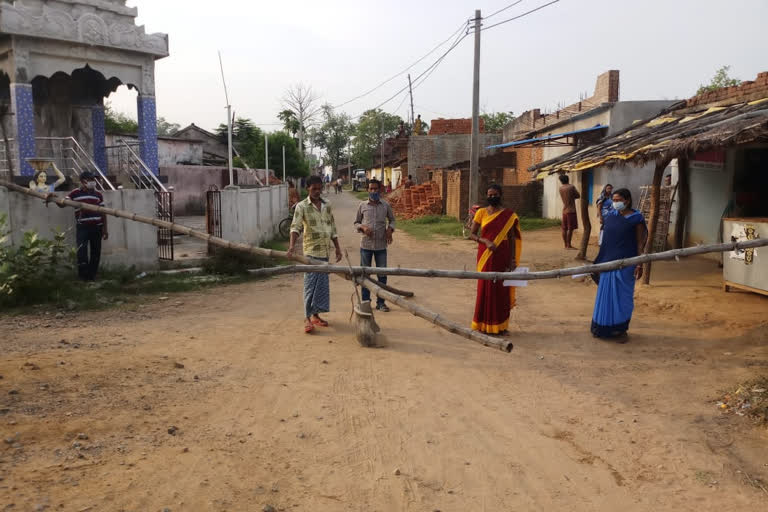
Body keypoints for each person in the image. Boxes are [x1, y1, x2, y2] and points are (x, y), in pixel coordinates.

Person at [287, 175, 343, 334]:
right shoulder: (302, 206)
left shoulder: (327, 205)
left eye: (319, 188)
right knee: (310, 286)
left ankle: (316, 316)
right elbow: (295, 228)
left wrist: (337, 248)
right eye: (314, 189)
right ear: (308, 189)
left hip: (325, 252)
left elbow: (332, 227)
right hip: (311, 253)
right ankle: (307, 318)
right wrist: (291, 247)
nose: (317, 192)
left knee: (321, 287)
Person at [591, 188, 647, 342]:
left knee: (622, 298)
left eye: (618, 200)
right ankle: (602, 328)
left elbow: (640, 244)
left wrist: (639, 264)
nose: (615, 203)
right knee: (606, 297)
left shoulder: (637, 219)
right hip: (608, 264)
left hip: (626, 265)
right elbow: (606, 242)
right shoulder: (611, 216)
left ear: (627, 201)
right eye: (614, 200)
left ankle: (620, 330)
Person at [469, 184, 522, 335]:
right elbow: (472, 234)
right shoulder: (481, 212)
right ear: (486, 196)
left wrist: (512, 259)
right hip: (485, 255)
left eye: (495, 194)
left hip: (502, 255)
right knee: (485, 288)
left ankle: (501, 326)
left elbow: (512, 238)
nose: (492, 197)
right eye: (490, 195)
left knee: (501, 290)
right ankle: (483, 325)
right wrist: (485, 241)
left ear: (501, 195)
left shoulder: (509, 215)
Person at [52, 171, 108, 281]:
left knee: (96, 252)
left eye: (94, 180)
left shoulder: (98, 194)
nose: (93, 182)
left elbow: (103, 212)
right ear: (83, 181)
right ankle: (83, 277)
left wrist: (105, 229)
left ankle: (92, 276)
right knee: (81, 252)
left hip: (97, 227)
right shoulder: (75, 193)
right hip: (83, 227)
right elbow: (63, 204)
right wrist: (54, 198)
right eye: (91, 180)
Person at [354, 178, 396, 312]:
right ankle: (366, 302)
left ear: (380, 190)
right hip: (365, 246)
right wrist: (363, 228)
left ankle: (381, 302)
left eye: (376, 189)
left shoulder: (385, 205)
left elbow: (393, 220)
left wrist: (390, 230)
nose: (373, 191)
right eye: (371, 189)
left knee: (382, 275)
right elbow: (356, 222)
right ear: (367, 190)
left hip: (381, 246)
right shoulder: (362, 206)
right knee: (365, 274)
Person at [558, 174, 580, 250]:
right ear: (568, 179)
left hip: (564, 210)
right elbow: (578, 195)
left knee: (564, 228)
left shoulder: (561, 188)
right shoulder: (571, 187)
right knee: (570, 229)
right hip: (571, 210)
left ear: (561, 181)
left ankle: (565, 245)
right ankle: (568, 245)